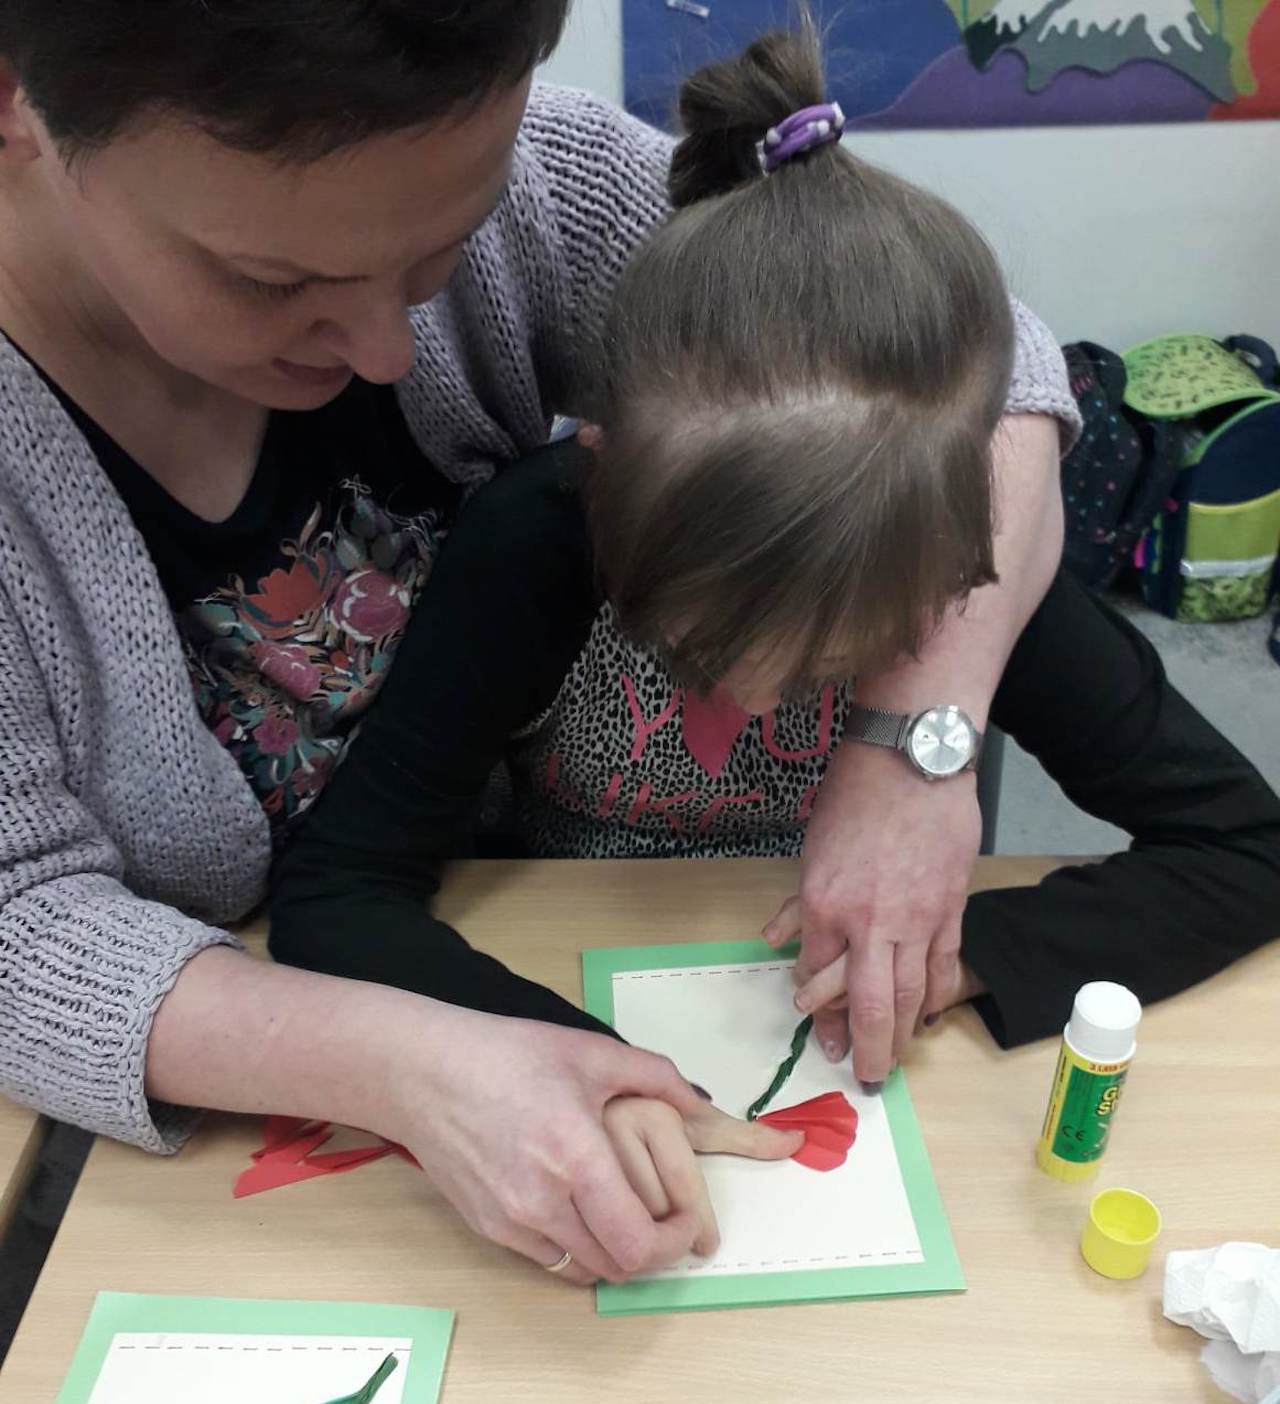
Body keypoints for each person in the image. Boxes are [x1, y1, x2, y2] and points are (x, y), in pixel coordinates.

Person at [0, 2, 1072, 1285]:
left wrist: (912, 742)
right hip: (199, 1090)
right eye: (273, 282)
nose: (386, 348)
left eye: (440, 249)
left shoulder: (538, 178)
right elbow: (20, 926)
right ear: (17, 103)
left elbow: (984, 370)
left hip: (495, 924)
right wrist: (408, 1068)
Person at [269, 27, 1280, 1281]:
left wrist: (958, 958)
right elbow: (339, 892)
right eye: (699, 642)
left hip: (868, 1073)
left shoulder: (949, 567)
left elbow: (1246, 847)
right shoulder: (536, 541)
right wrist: (555, 1055)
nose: (753, 699)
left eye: (835, 660)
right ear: (607, 483)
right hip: (561, 951)